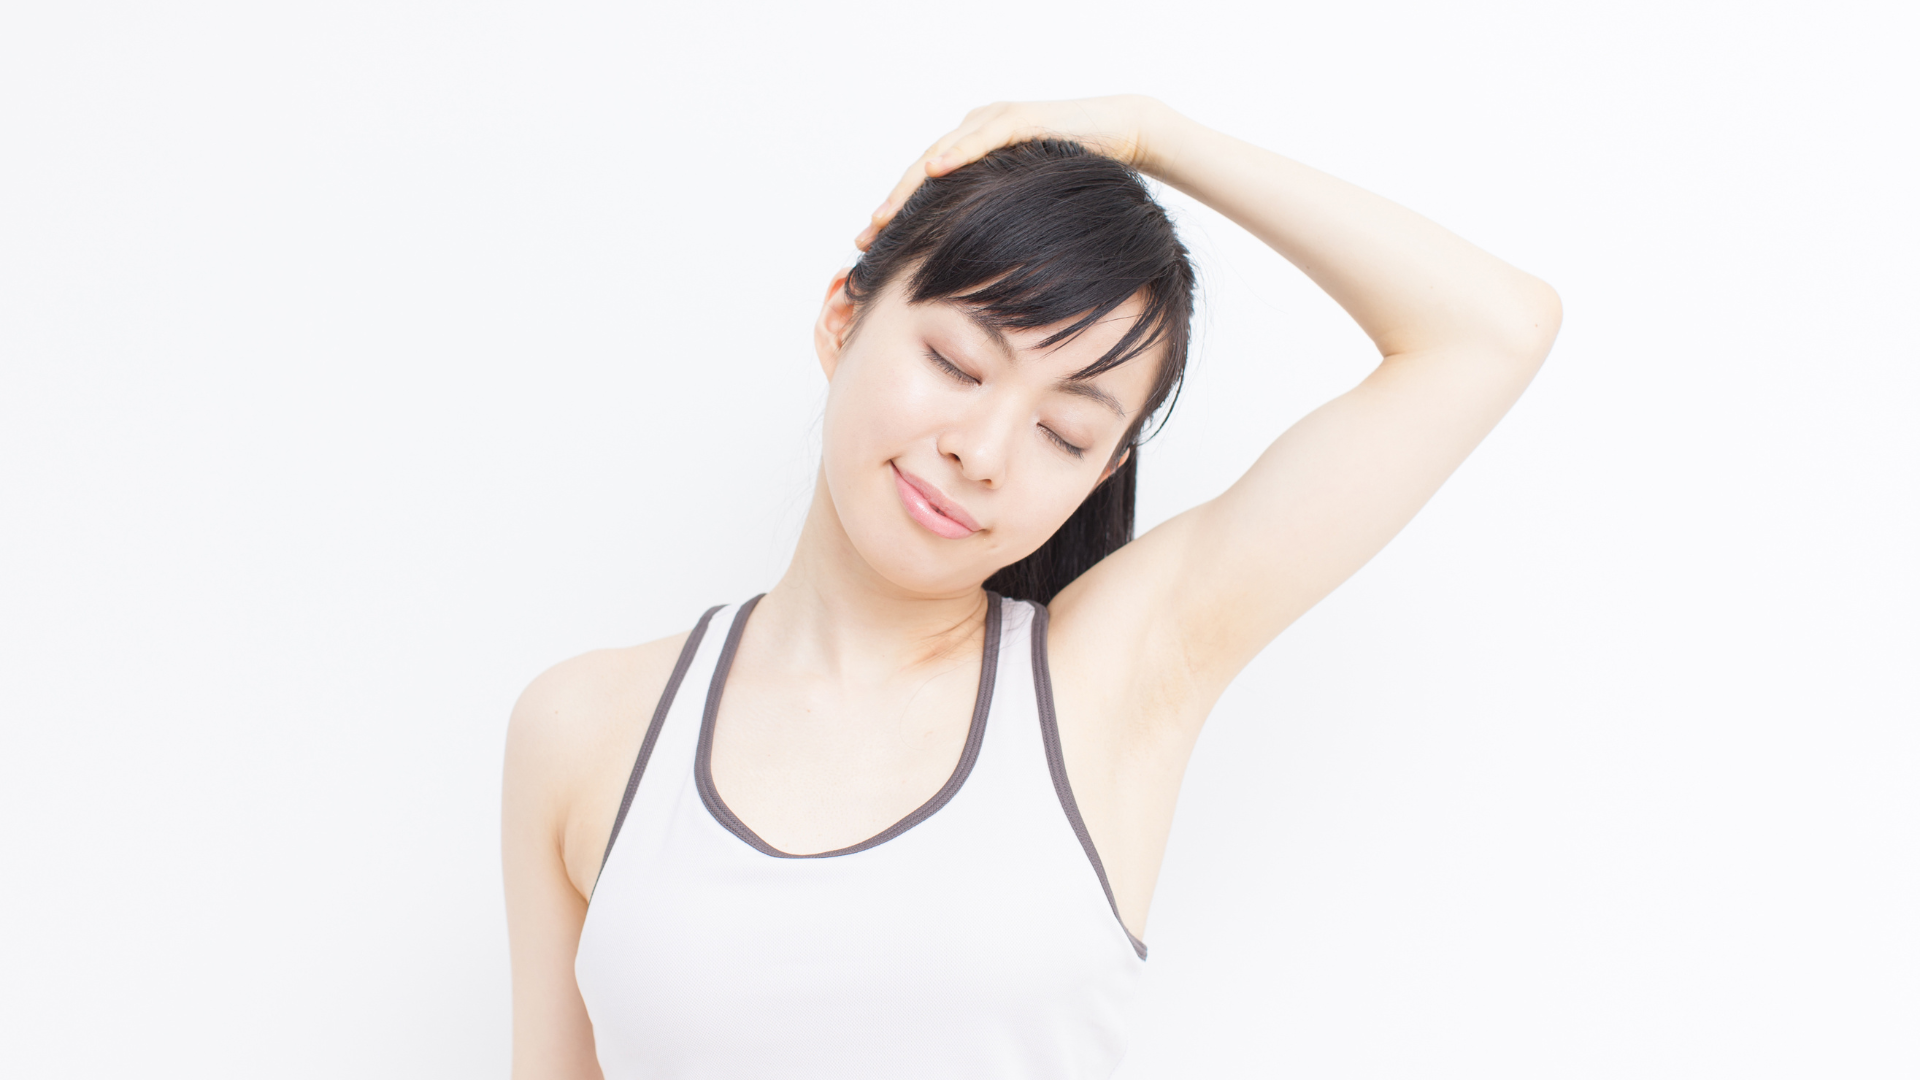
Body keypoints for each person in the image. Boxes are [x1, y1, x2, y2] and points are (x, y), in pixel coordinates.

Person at [502, 95, 1561, 1079]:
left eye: (1065, 432)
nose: (985, 451)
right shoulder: (585, 728)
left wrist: (1154, 135)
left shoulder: (1110, 678)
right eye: (959, 364)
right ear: (842, 320)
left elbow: (1491, 330)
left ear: (1102, 474)